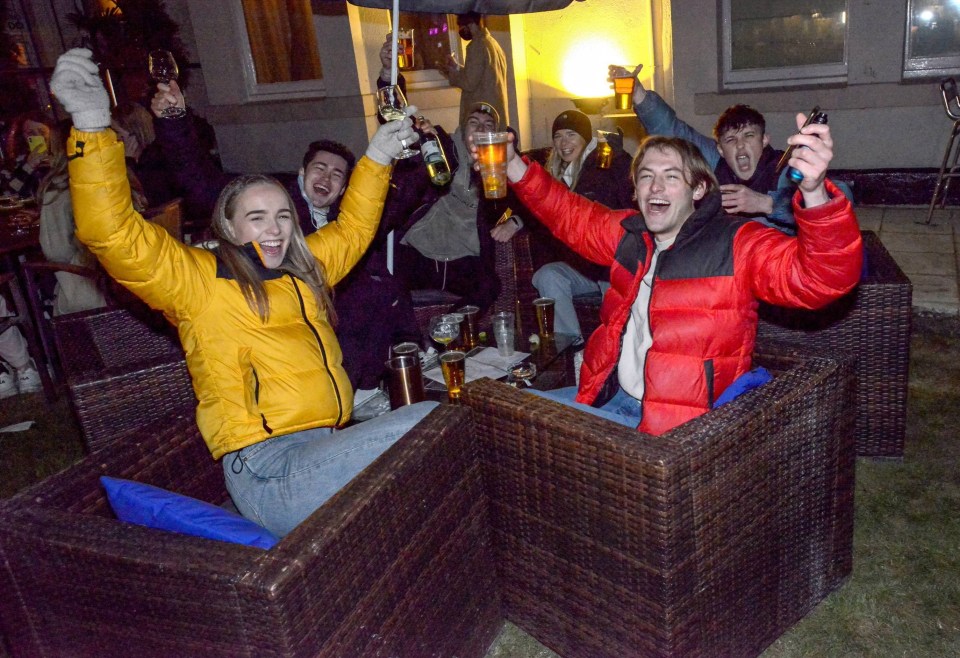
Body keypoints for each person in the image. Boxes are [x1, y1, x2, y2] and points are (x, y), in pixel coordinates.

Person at [50, 47, 436, 538]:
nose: (273, 229)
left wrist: (379, 154)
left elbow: (357, 226)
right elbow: (112, 233)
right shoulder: (199, 281)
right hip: (269, 468)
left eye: (281, 216)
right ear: (229, 228)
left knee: (432, 452)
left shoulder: (304, 269)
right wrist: (88, 125)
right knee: (427, 422)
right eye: (256, 217)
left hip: (326, 445)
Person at [474, 113, 862, 436]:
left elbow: (821, 281)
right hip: (611, 398)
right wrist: (512, 164)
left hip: (673, 432)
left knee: (518, 429)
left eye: (671, 176)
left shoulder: (735, 243)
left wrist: (814, 194)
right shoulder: (631, 235)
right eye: (646, 176)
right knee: (503, 418)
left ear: (698, 190)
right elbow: (570, 214)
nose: (656, 186)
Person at [150, 79, 422, 395]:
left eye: (337, 175)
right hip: (287, 353)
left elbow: (409, 192)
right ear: (302, 174)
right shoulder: (272, 203)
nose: (326, 178)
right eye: (319, 169)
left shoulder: (344, 223)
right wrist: (174, 122)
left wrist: (426, 137)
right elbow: (199, 181)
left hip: (360, 367)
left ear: (346, 188)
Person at [611, 65, 810, 233]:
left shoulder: (785, 167)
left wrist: (766, 204)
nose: (740, 145)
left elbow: (819, 207)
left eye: (749, 136)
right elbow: (674, 131)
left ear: (765, 140)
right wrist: (638, 94)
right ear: (721, 149)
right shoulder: (715, 163)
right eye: (730, 140)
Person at [387, 100, 524, 314]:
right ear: (462, 129)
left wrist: (515, 222)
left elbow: (529, 198)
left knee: (490, 285)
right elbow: (405, 169)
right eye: (474, 122)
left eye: (488, 125)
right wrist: (421, 139)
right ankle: (411, 342)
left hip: (462, 260)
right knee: (386, 286)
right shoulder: (442, 148)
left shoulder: (500, 165)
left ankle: (446, 329)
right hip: (419, 252)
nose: (480, 128)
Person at [528, 109, 634, 343]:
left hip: (612, 265)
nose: (564, 142)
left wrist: (621, 158)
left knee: (611, 282)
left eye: (571, 134)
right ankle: (571, 345)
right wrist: (515, 220)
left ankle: (617, 350)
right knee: (548, 275)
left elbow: (630, 192)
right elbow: (534, 199)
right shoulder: (556, 176)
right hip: (582, 268)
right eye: (558, 136)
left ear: (585, 139)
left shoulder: (602, 165)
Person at [37, 121, 108, 316]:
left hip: (90, 291)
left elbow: (55, 251)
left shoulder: (59, 190)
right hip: (131, 282)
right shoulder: (115, 173)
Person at [446, 12, 509, 129]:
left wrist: (452, 74)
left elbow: (469, 83)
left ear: (470, 24)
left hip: (481, 115)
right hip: (494, 112)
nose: (460, 30)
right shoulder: (492, 43)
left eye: (461, 26)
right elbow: (480, 74)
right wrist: (457, 67)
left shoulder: (476, 46)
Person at [111, 102, 180, 208]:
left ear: (134, 134)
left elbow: (153, 198)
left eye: (117, 132)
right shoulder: (129, 160)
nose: (115, 138)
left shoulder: (156, 159)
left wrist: (128, 163)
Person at [1, 111, 54, 199]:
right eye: (30, 133)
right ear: (22, 137)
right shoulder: (14, 164)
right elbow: (8, 194)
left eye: (42, 131)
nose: (37, 136)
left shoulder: (62, 159)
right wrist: (28, 166)